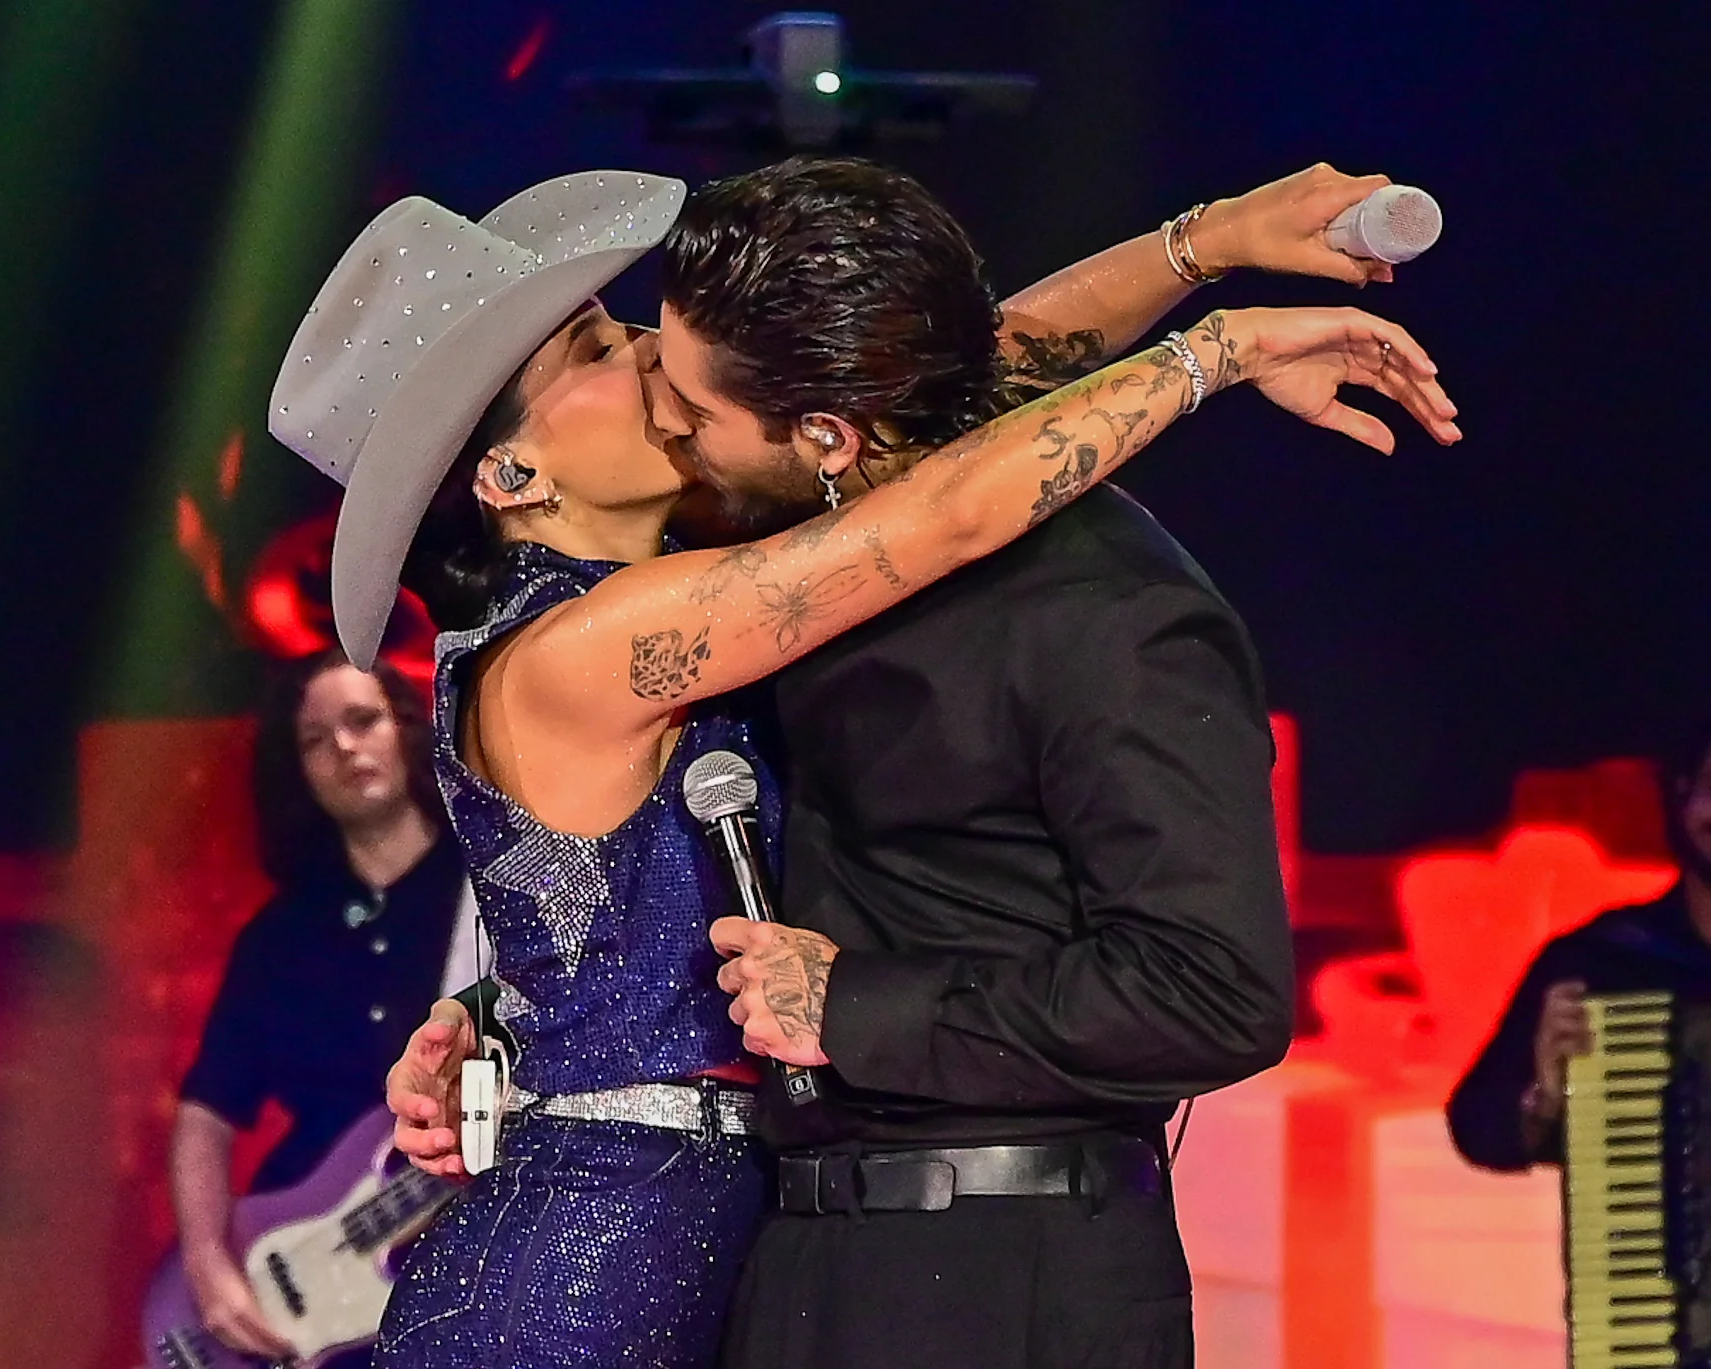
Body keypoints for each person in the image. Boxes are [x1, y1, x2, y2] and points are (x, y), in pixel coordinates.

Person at [293, 161, 1456, 1367]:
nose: (646, 361)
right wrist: (1217, 351)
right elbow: (940, 505)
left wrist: (1203, 240)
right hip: (588, 1269)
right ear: (511, 474)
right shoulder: (586, 642)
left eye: (617, 328)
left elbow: (943, 388)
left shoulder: (710, 557)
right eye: (594, 352)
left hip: (757, 1246)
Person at [169, 651, 479, 1360]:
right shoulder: (279, 937)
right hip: (300, 1278)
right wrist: (208, 1263)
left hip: (465, 1267)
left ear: (407, 729)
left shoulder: (488, 895)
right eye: (314, 739)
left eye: (362, 720)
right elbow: (205, 1112)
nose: (343, 746)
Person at [1448, 691, 1711, 1173]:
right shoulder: (1597, 959)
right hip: (1649, 1226)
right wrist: (1543, 1098)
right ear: (1683, 794)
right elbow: (1477, 1127)